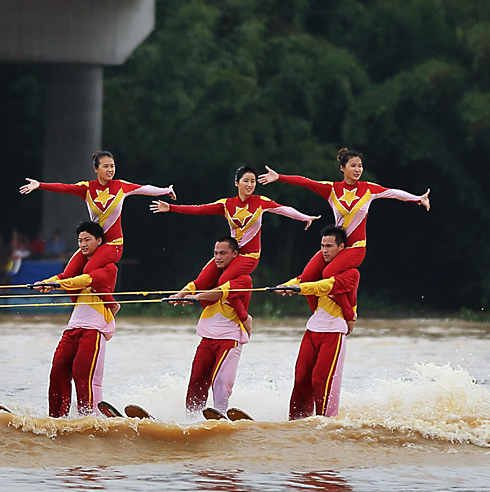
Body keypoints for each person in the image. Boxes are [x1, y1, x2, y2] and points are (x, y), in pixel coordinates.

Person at [259, 148, 429, 311]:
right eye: (353, 165)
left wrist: (418, 199)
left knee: (329, 273)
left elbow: (394, 193)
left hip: (355, 248)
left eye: (360, 166)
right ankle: (317, 312)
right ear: (342, 168)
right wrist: (279, 177)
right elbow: (306, 182)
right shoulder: (332, 189)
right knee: (308, 277)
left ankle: (350, 309)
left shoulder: (368, 189)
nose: (357, 169)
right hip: (335, 247)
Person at [151, 165, 319, 289]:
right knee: (202, 281)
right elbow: (199, 209)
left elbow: (285, 210)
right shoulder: (226, 204)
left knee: (224, 281)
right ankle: (181, 297)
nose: (250, 185)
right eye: (246, 181)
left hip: (250, 256)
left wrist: (305, 218)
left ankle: (226, 308)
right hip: (231, 254)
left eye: (253, 181)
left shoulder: (261, 202)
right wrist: (171, 207)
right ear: (236, 183)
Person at [20, 150, 176, 279]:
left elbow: (145, 188)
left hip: (113, 244)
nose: (110, 170)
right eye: (106, 166)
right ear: (96, 169)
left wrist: (166, 191)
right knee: (68, 275)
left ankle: (110, 304)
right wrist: (40, 185)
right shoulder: (87, 188)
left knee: (88, 271)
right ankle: (80, 308)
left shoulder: (121, 186)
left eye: (113, 166)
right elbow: (64, 187)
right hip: (93, 243)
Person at [34, 221, 120, 418]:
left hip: (94, 330)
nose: (82, 244)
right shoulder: (77, 269)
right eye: (80, 240)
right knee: (58, 369)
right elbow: (67, 276)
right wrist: (46, 283)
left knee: (83, 375)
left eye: (87, 240)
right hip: (73, 328)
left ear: (99, 241)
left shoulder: (109, 268)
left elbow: (86, 280)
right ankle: (57, 418)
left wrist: (56, 284)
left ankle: (89, 418)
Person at [274, 226, 359, 420]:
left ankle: (325, 422)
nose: (324, 250)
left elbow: (326, 286)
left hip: (334, 331)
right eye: (322, 246)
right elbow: (303, 279)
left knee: (320, 380)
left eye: (329, 246)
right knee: (301, 378)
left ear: (342, 248)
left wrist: (299, 288)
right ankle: (296, 420)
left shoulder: (351, 274)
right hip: (313, 329)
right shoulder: (319, 270)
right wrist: (285, 286)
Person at [167, 237, 253, 416]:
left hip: (229, 339)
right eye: (215, 253)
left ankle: (220, 415)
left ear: (235, 254)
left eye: (223, 253)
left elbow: (222, 292)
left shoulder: (244, 280)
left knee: (221, 381)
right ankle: (190, 419)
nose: (218, 257)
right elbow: (196, 284)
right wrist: (180, 294)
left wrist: (196, 297)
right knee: (196, 380)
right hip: (207, 339)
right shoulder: (210, 279)